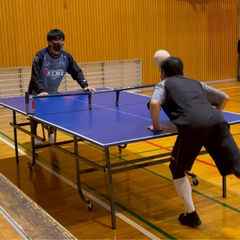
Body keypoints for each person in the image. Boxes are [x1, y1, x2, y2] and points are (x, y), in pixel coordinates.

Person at [147, 56, 240, 227]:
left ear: (162, 74)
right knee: (238, 165)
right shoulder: (195, 82)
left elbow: (154, 103)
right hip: (217, 121)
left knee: (176, 168)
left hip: (193, 127)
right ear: (182, 72)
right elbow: (224, 97)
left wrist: (157, 126)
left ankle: (191, 215)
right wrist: (213, 115)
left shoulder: (163, 84)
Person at [28, 29, 95, 143]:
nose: (60, 42)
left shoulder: (66, 57)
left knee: (56, 113)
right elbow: (35, 76)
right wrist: (40, 91)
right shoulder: (40, 56)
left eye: (61, 40)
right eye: (56, 40)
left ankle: (51, 134)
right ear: (49, 42)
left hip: (54, 92)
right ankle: (34, 136)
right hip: (36, 92)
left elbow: (76, 71)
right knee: (35, 115)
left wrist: (85, 85)